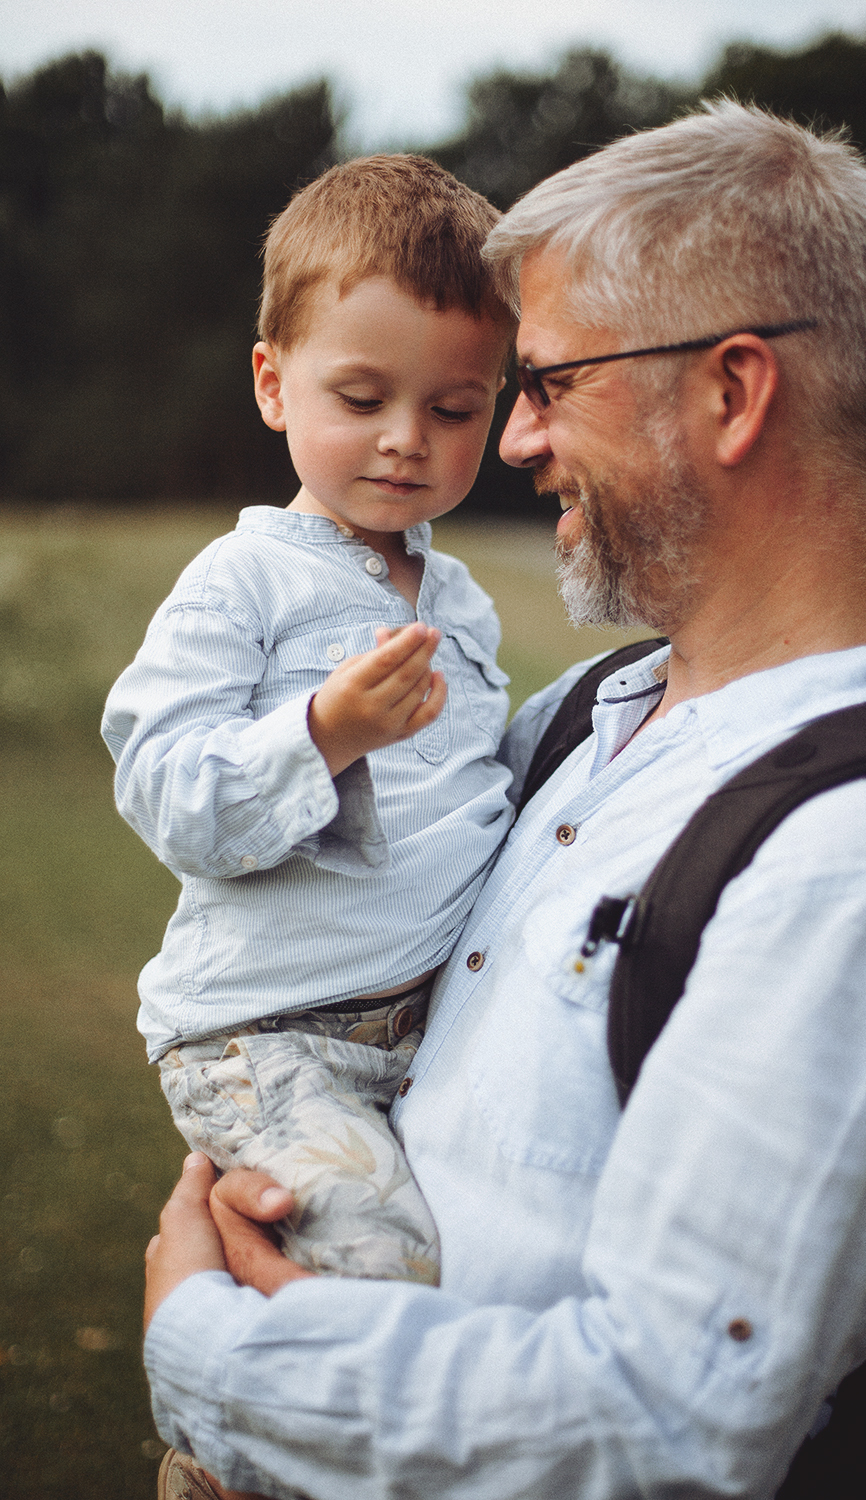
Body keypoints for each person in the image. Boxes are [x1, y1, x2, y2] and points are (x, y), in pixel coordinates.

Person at [142, 103, 866, 1500]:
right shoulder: (575, 731)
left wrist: (217, 1354)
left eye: (544, 381)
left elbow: (670, 1422)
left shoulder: (862, 864)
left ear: (733, 392)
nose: (518, 439)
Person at [102, 155, 517, 1291]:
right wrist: (323, 732)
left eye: (452, 409)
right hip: (270, 1034)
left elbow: (483, 784)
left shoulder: (460, 602)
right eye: (361, 398)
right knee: (377, 1269)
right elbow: (166, 789)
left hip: (425, 1023)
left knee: (502, 1246)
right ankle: (224, 1464)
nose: (405, 440)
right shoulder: (241, 583)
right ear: (273, 382)